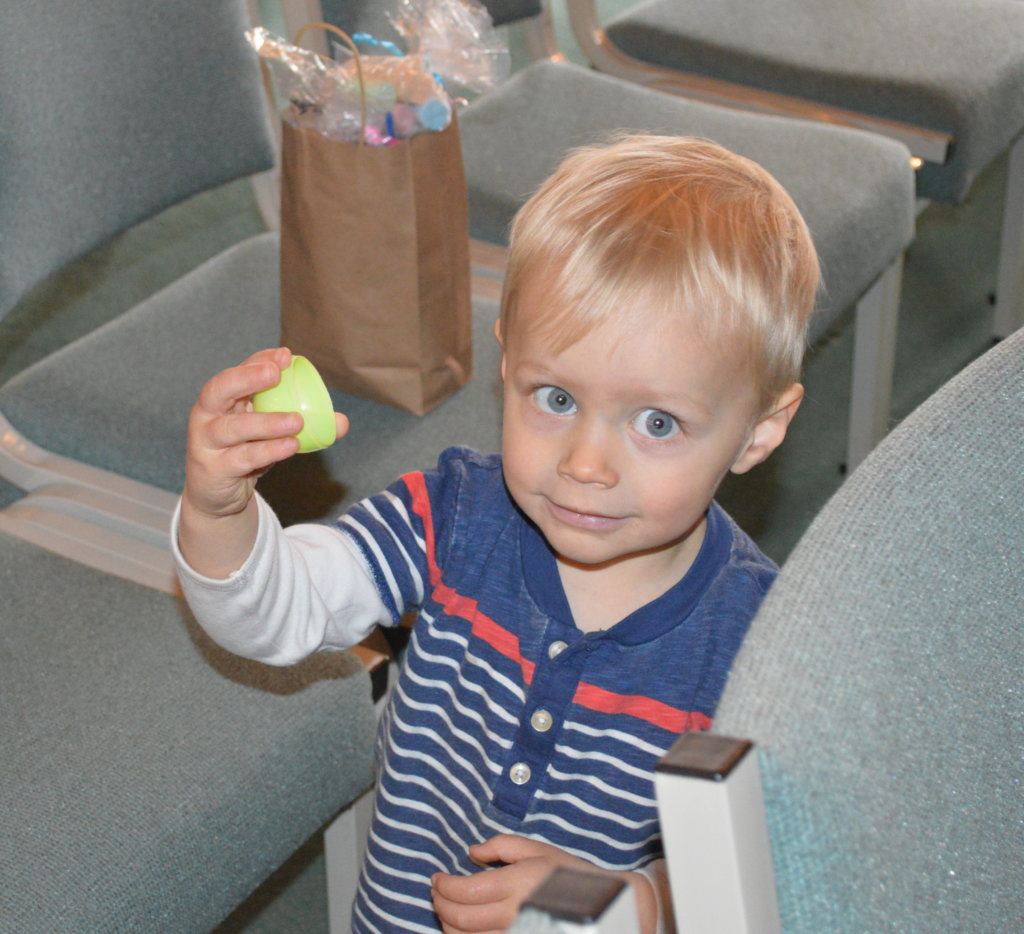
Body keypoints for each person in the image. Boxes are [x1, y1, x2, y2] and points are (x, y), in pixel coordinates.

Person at [174, 134, 819, 934]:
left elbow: (761, 869)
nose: (585, 464)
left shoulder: (758, 646)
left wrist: (642, 901)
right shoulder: (453, 517)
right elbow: (280, 615)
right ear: (508, 363)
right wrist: (220, 515)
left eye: (656, 422)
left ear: (759, 430)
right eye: (555, 398)